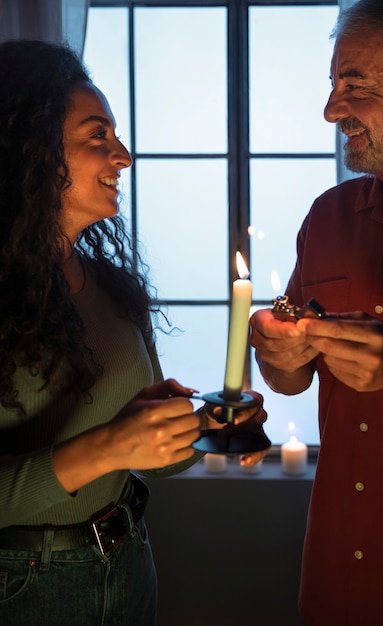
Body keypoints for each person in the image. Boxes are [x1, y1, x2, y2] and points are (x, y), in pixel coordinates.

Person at [0, 39, 267, 626]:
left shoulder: (114, 289)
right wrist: (109, 444)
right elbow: (109, 450)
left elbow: (155, 464)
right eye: (98, 136)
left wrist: (205, 425)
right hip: (21, 587)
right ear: (29, 152)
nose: (123, 155)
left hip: (127, 564)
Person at [250, 1, 383, 625]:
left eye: (355, 84)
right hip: (333, 572)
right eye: (331, 84)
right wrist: (279, 356)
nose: (330, 109)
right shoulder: (327, 216)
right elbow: (289, 379)